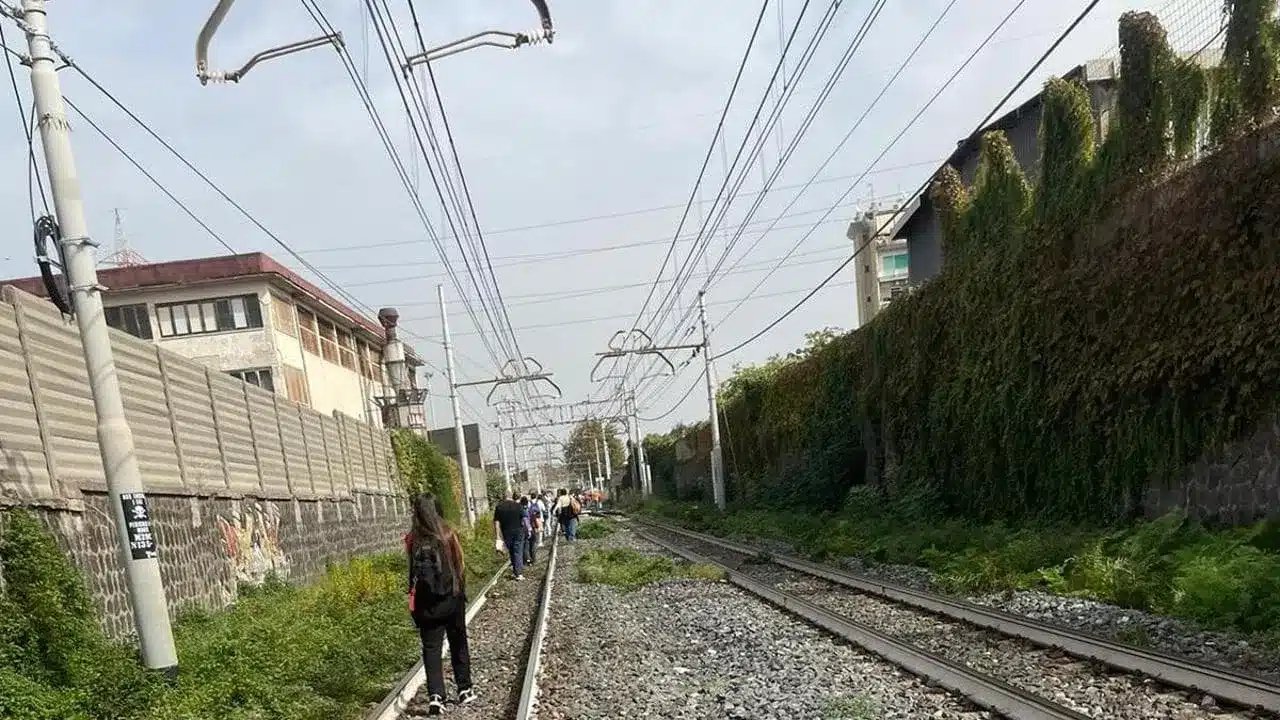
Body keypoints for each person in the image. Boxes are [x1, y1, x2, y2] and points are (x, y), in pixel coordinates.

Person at [405, 494, 476, 715]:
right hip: (451, 599)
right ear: (438, 509)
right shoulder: (448, 534)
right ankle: (464, 689)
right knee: (458, 643)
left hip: (427, 605)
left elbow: (412, 574)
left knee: (431, 648)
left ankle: (436, 695)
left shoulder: (412, 539)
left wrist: (413, 602)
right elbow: (459, 568)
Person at [493, 491, 527, 580]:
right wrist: (528, 529)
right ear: (511, 496)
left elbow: (496, 522)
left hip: (506, 532)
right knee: (518, 551)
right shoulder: (518, 506)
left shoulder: (499, 507)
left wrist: (497, 536)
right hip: (518, 531)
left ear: (503, 496)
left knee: (512, 551)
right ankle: (519, 573)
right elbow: (524, 518)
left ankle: (516, 571)